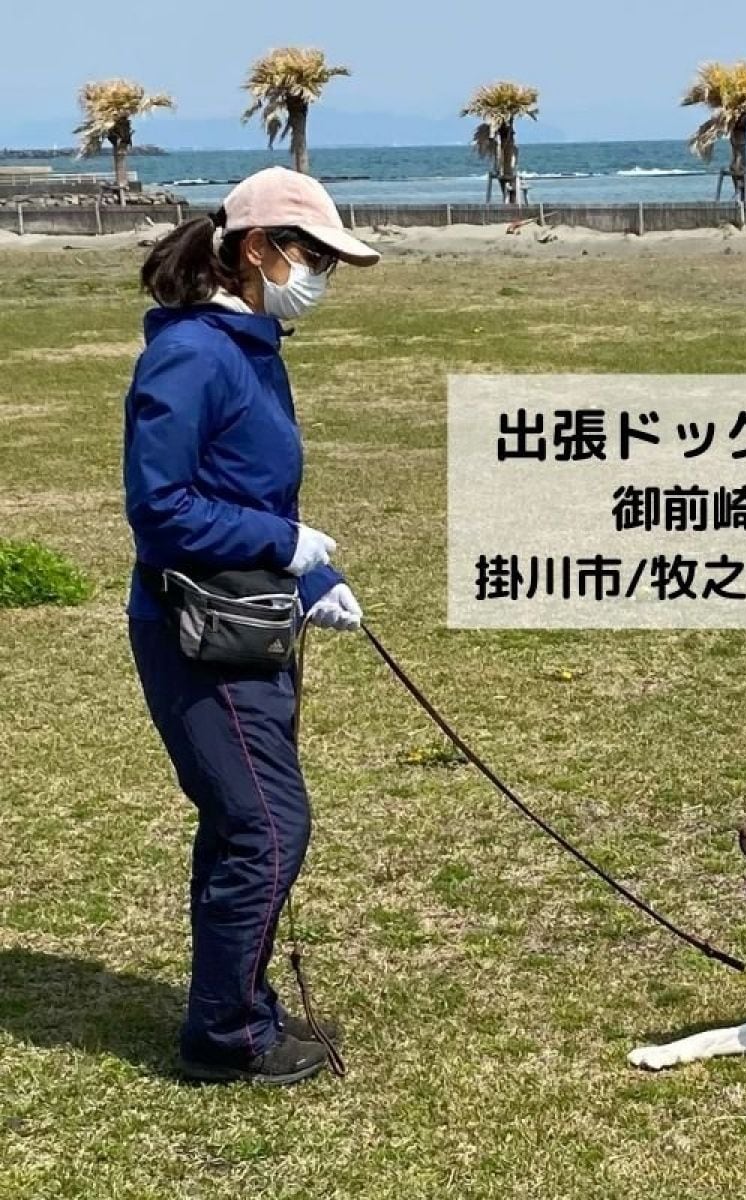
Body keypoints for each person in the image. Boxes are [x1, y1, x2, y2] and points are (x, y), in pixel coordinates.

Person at [123, 167, 379, 1085]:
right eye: (311, 255)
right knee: (268, 828)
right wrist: (283, 541)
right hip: (197, 627)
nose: (320, 275)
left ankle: (230, 1008)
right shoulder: (193, 354)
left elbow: (253, 486)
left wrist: (314, 577)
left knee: (243, 824)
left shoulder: (255, 344)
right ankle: (226, 1037)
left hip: (251, 613)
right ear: (257, 249)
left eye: (331, 263)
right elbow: (160, 509)